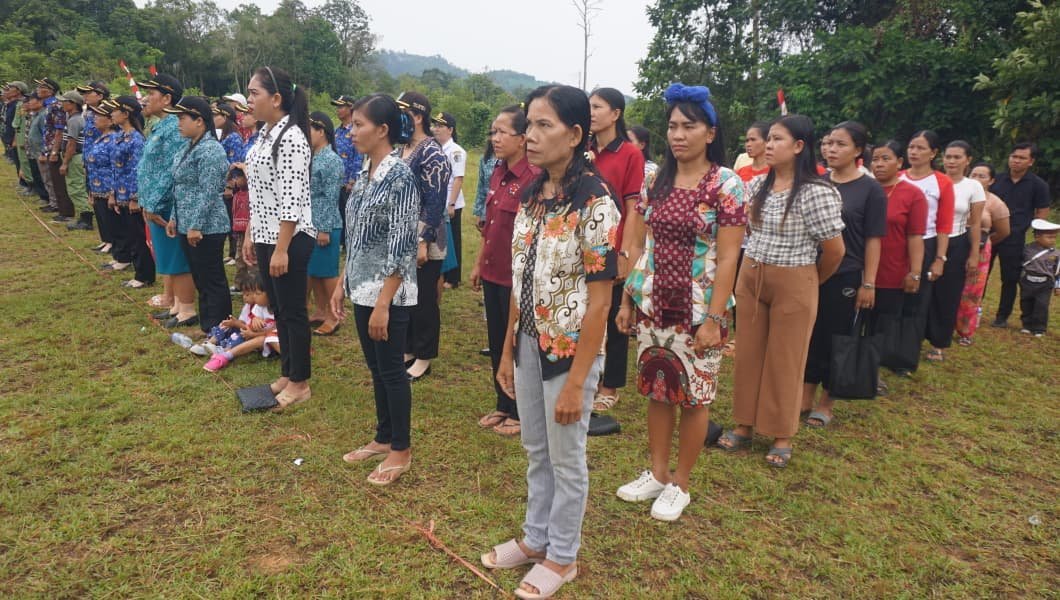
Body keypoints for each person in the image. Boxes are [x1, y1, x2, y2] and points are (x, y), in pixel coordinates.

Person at [482, 84, 620, 600]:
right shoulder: (531, 196)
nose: (531, 136)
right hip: (527, 344)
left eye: (545, 126)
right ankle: (535, 538)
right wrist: (506, 351)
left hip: (569, 355)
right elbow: (522, 280)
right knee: (536, 449)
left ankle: (563, 556)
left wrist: (578, 382)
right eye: (529, 126)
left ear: (576, 134)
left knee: (566, 457)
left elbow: (600, 303)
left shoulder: (595, 202)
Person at [615, 83, 746, 521]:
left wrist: (714, 318)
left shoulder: (726, 184)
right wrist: (629, 299)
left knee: (695, 396)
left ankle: (681, 484)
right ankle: (657, 472)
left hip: (699, 310)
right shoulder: (656, 179)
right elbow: (642, 243)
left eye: (689, 126)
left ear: (710, 133)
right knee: (658, 389)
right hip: (655, 305)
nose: (678, 135)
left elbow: (728, 256)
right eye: (672, 126)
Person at [717, 114, 845, 468]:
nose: (768, 145)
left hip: (795, 278)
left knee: (786, 359)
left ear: (799, 146)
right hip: (752, 276)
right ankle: (744, 425)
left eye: (777, 139)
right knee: (748, 353)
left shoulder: (817, 192)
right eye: (768, 138)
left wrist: (809, 282)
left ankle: (781, 434)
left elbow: (835, 251)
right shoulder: (758, 185)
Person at [329, 93, 420, 485]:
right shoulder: (367, 172)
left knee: (392, 370)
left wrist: (384, 303)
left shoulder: (400, 177)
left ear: (382, 130)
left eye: (359, 125)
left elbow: (402, 246)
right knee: (377, 368)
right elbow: (357, 237)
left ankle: (401, 449)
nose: (351, 132)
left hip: (389, 294)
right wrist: (341, 283)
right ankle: (383, 438)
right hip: (362, 288)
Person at [802, 121, 886, 427]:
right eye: (828, 143)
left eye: (840, 144)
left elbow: (874, 239)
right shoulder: (818, 183)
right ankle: (805, 395)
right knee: (811, 334)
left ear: (858, 150)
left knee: (838, 337)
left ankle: (827, 402)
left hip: (847, 273)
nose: (831, 149)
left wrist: (868, 282)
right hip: (812, 268)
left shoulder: (870, 189)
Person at [242, 65, 316, 412]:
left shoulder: (292, 138)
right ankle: (288, 374)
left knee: (293, 311)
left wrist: (282, 249)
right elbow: (261, 191)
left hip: (289, 237)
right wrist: (251, 233)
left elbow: (291, 199)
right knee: (280, 310)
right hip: (267, 233)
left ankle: (300, 383)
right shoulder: (266, 133)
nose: (249, 99)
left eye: (254, 93)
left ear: (276, 98)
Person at [469, 105, 538, 437]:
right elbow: (491, 227)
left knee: (518, 343)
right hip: (493, 272)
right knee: (497, 340)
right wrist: (478, 262)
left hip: (517, 279)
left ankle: (520, 411)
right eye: (492, 132)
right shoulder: (497, 171)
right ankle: (502, 402)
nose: (495, 138)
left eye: (502, 132)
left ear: (522, 139)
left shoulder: (533, 179)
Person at [586, 87, 645, 412]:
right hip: (585, 242)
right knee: (586, 311)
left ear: (616, 114)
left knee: (613, 316)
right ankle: (586, 376)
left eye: (597, 106)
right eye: (589, 106)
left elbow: (633, 206)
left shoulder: (630, 154)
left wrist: (625, 252)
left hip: (615, 243)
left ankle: (610, 386)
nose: (591, 112)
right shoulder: (584, 149)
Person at [165, 96, 232, 334]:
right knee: (200, 277)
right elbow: (180, 186)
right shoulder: (189, 146)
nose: (179, 123)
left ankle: (220, 326)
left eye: (183, 118)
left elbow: (209, 192)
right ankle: (209, 324)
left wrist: (196, 225)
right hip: (187, 222)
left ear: (200, 121)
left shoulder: (211, 150)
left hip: (207, 226)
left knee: (212, 278)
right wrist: (174, 217)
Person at [396, 91, 450, 381]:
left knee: (424, 299)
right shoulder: (401, 148)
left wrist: (423, 242)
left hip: (425, 238)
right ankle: (408, 348)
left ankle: (424, 355)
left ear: (417, 116)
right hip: (402, 235)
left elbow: (435, 201)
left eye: (402, 112)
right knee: (405, 295)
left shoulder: (432, 152)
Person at [137, 75, 196, 326]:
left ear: (167, 98)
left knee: (176, 258)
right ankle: (176, 306)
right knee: (168, 258)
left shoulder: (174, 127)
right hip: (155, 203)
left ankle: (186, 309)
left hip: (166, 205)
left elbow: (171, 171)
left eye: (151, 94)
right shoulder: (162, 125)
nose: (145, 99)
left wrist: (152, 204)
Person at [870, 140, 926, 386]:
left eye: (886, 159)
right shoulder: (864, 188)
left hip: (891, 270)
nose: (879, 164)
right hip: (857, 268)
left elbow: (915, 236)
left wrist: (915, 272)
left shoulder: (912, 194)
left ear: (900, 162)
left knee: (883, 323)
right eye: (875, 159)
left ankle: (873, 371)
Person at [923, 140, 984, 360]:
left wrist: (974, 254)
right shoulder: (932, 180)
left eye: (957, 157)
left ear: (968, 160)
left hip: (956, 242)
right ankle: (915, 335)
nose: (951, 161)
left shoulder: (973, 186)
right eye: (948, 156)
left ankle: (938, 343)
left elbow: (975, 223)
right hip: (928, 240)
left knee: (947, 293)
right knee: (922, 290)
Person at [899, 130, 955, 363]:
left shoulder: (942, 182)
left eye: (920, 148)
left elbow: (944, 224)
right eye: (911, 147)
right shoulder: (898, 176)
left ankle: (905, 356)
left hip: (926, 242)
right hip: (896, 242)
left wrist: (940, 258)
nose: (914, 152)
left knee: (917, 300)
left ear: (933, 153)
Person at [989, 143, 1052, 328]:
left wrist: (1038, 235)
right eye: (1014, 156)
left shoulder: (1038, 185)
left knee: (1010, 278)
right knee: (980, 274)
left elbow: (1042, 211)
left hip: (1015, 237)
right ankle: (974, 310)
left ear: (1031, 161)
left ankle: (1002, 316)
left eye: (1022, 158)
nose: (1016, 161)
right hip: (990, 233)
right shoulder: (996, 180)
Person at [955, 163, 1011, 344]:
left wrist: (985, 243)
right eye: (974, 175)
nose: (977, 179)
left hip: (980, 250)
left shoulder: (995, 203)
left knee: (972, 291)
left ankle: (965, 331)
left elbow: (1003, 231)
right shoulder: (958, 194)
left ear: (992, 180)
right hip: (955, 244)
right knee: (950, 286)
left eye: (982, 176)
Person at [108, 96, 155, 290]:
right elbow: (115, 168)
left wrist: (136, 197)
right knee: (130, 235)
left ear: (126, 114)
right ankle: (138, 271)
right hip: (121, 194)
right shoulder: (120, 135)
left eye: (115, 110)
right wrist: (113, 194)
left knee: (138, 237)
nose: (111, 114)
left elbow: (138, 170)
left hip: (132, 196)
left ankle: (144, 275)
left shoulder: (136, 139)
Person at [306, 111, 345, 336]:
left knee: (328, 273)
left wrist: (324, 229)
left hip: (325, 224)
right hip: (311, 223)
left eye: (309, 129)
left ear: (321, 131)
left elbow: (331, 197)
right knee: (315, 272)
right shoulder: (314, 155)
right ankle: (321, 311)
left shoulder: (331, 160)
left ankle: (334, 316)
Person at [201, 270, 281, 371]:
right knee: (233, 328)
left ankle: (226, 353)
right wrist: (254, 321)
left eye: (257, 293)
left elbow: (276, 332)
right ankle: (213, 345)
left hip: (276, 341)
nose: (254, 296)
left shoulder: (281, 310)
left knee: (261, 339)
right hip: (263, 340)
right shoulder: (259, 307)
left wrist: (252, 333)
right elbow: (250, 327)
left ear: (271, 295)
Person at [431, 112, 466, 289]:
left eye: (440, 126)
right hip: (439, 201)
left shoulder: (456, 151)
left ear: (450, 130)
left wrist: (451, 204)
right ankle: (442, 273)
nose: (436, 129)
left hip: (451, 202)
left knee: (453, 240)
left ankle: (453, 278)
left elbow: (458, 178)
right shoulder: (436, 148)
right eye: (435, 126)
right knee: (442, 238)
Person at [76, 81, 113, 247]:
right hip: (91, 161)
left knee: (105, 204)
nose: (84, 96)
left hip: (103, 164)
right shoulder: (90, 113)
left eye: (88, 93)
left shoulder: (107, 112)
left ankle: (111, 240)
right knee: (95, 201)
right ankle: (105, 239)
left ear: (99, 95)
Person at [84, 101, 118, 258]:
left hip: (107, 184)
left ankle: (112, 241)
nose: (95, 119)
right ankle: (106, 239)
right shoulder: (101, 138)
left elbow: (114, 165)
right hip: (96, 183)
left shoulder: (113, 139)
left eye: (100, 116)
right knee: (100, 214)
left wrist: (112, 190)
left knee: (109, 216)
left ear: (110, 121)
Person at [56, 91, 92, 231]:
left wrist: (65, 163)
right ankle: (83, 216)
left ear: (72, 104)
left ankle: (86, 218)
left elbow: (71, 144)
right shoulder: (74, 119)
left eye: (64, 101)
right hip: (76, 156)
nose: (62, 104)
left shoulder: (74, 121)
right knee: (76, 187)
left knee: (76, 187)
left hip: (75, 157)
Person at [37, 78, 72, 220]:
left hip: (54, 148)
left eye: (42, 87)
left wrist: (54, 151)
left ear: (51, 91)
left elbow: (59, 130)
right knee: (51, 179)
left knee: (58, 181)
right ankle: (55, 204)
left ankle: (64, 210)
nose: (38, 90)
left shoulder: (56, 105)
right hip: (48, 146)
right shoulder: (48, 105)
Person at [1019, 219, 1060, 336]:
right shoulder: (1026, 249)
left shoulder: (1056, 254)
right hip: (1028, 281)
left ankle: (1039, 328)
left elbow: (1058, 271)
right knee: (1026, 303)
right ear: (1037, 237)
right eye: (1049, 237)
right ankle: (1027, 325)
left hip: (1045, 283)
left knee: (1041, 305)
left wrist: (1058, 286)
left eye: (1054, 237)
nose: (1052, 240)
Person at [330, 94, 362, 238]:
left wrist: (352, 179)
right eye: (337, 106)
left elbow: (358, 156)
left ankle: (347, 240)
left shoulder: (355, 131)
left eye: (341, 106)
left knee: (347, 213)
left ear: (350, 108)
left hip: (347, 182)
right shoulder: (337, 131)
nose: (338, 109)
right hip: (335, 181)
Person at [627, 124, 657, 189]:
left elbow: (645, 190)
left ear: (642, 145)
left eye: (630, 141)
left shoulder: (651, 169)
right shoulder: (620, 164)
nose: (625, 144)